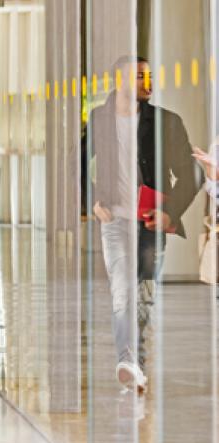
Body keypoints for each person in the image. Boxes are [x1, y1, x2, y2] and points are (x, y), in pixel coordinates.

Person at [83, 55, 197, 394]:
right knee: (122, 290)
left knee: (144, 295)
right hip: (115, 222)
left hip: (151, 223)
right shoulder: (100, 119)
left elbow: (191, 173)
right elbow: (75, 163)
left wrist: (170, 213)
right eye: (139, 77)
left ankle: (137, 360)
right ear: (120, 82)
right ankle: (128, 359)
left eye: (150, 76)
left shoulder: (167, 122)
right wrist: (91, 200)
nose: (148, 82)